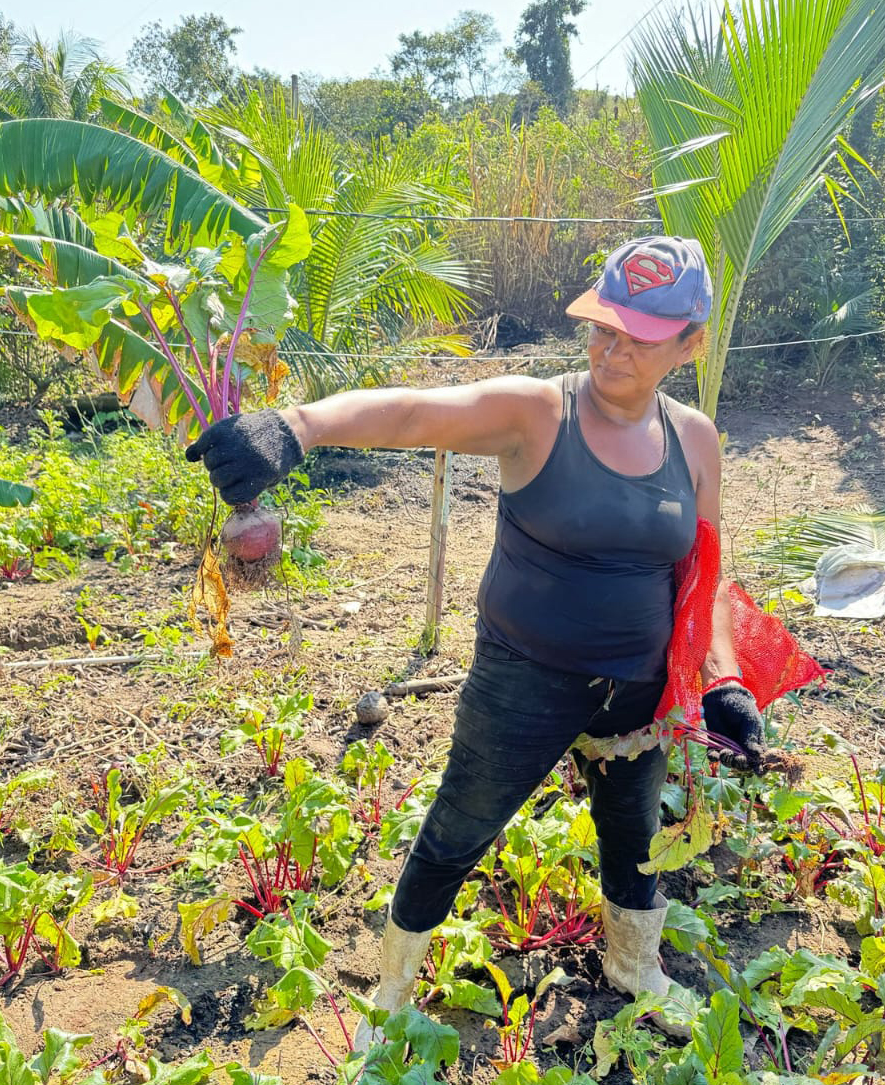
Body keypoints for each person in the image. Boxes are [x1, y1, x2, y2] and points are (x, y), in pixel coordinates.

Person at [185, 236, 767, 1045]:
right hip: (523, 682)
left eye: (640, 332)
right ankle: (391, 989)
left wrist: (725, 681)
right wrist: (298, 425)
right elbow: (421, 410)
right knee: (460, 828)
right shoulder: (540, 411)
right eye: (604, 324)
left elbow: (706, 569)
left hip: (637, 690)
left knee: (634, 835)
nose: (612, 345)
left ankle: (637, 966)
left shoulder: (694, 439)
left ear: (690, 342)